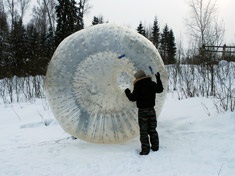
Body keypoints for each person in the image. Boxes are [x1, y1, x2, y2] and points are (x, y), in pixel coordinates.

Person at [124, 70, 163, 155]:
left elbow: (132, 98)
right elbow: (160, 89)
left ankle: (145, 150)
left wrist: (127, 92)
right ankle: (155, 147)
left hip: (142, 112)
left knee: (144, 131)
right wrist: (158, 79)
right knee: (152, 129)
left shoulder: (138, 86)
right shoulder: (152, 84)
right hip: (152, 110)